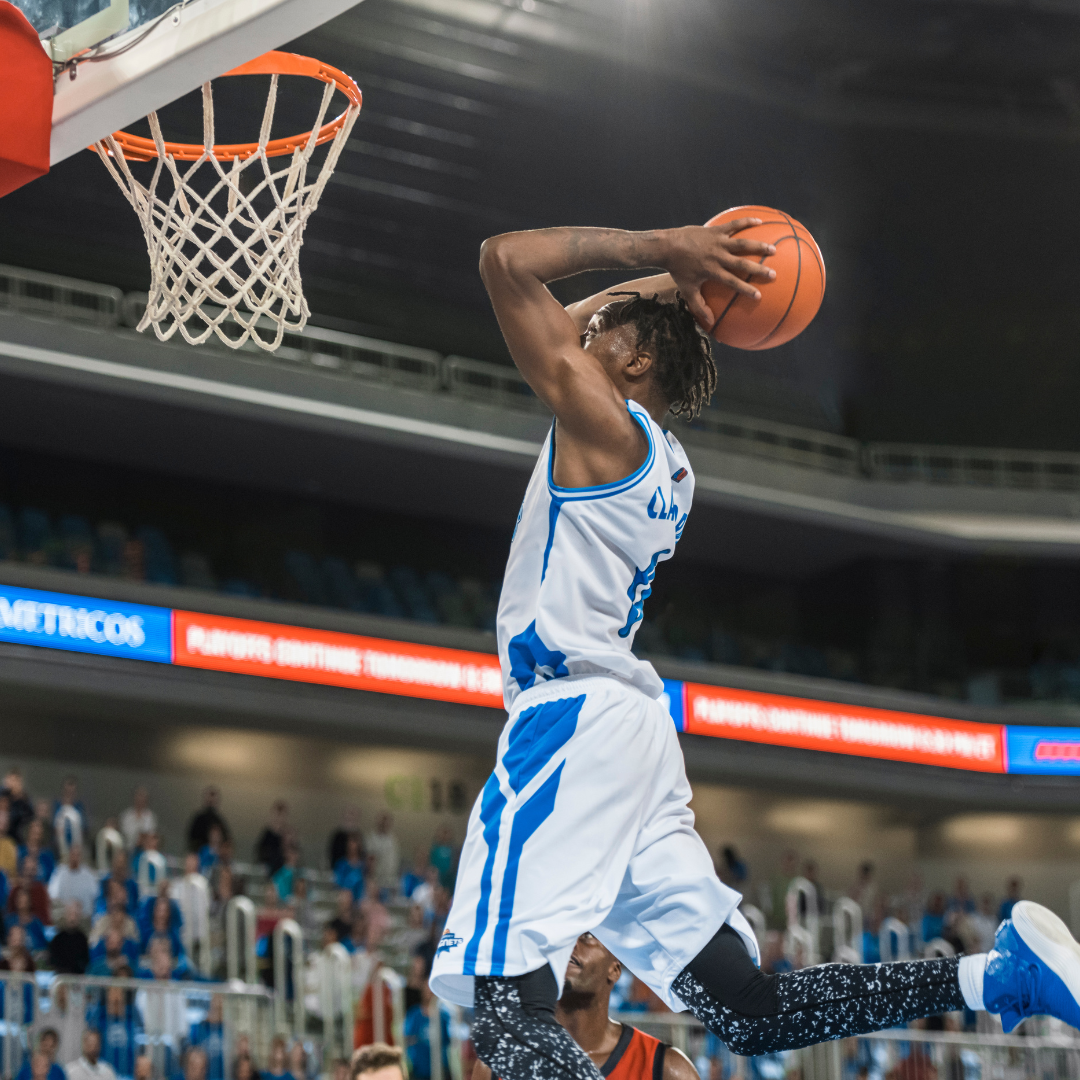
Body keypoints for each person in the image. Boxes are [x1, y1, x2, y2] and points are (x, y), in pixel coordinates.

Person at [426, 221, 1080, 1080]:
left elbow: (503, 262)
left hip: (571, 717)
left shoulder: (605, 427)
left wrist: (664, 244)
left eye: (599, 337)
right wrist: (687, 273)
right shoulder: (662, 461)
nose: (580, 335)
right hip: (630, 734)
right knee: (747, 1007)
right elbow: (577, 312)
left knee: (505, 1008)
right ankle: (996, 977)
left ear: (630, 367)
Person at [474, 933, 698, 1080]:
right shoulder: (496, 1065)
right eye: (564, 937)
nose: (571, 946)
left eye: (588, 937)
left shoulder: (666, 1069)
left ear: (615, 969)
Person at [98, 985, 139, 1080]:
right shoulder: (100, 1020)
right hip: (104, 1074)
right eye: (112, 992)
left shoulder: (131, 1019)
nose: (116, 996)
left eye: (118, 992)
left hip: (128, 1074)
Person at [48, 844, 98, 917]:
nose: (75, 857)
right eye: (73, 854)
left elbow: (95, 895)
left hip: (84, 917)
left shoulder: (88, 875)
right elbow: (52, 894)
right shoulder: (60, 873)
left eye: (78, 855)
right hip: (64, 917)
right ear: (69, 855)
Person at [49, 901, 90, 974]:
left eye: (76, 915)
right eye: (70, 914)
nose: (73, 918)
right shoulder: (58, 939)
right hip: (61, 977)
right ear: (66, 915)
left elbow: (85, 961)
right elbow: (53, 962)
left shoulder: (82, 939)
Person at [365, 815, 399, 900]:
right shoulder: (372, 838)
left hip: (389, 881)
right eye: (383, 822)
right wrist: (371, 879)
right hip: (376, 880)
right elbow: (370, 860)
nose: (385, 824)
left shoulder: (392, 839)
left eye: (388, 822)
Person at [187, 789, 229, 854]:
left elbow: (226, 841)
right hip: (199, 854)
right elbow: (192, 839)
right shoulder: (198, 819)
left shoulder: (219, 821)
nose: (211, 801)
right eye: (209, 800)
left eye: (213, 800)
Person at [255, 803, 288, 876]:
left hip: (282, 868)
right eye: (277, 815)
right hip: (270, 867)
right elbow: (260, 850)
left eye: (281, 816)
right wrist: (263, 863)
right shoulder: (267, 834)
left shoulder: (286, 834)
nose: (279, 818)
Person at [120, 789, 157, 854]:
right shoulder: (126, 815)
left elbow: (152, 834)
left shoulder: (150, 817)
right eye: (138, 796)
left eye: (143, 797)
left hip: (144, 852)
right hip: (127, 849)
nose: (140, 800)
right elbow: (124, 832)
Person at [3, 770, 35, 843]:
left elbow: (29, 820)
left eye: (14, 780)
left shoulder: (25, 801)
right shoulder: (4, 797)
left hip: (19, 840)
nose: (12, 784)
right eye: (10, 780)